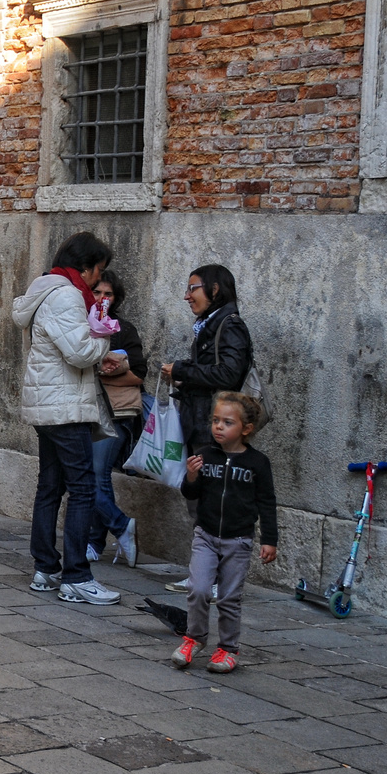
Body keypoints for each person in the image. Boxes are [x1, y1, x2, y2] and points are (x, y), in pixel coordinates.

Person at [11, 230, 120, 606]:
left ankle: (46, 568)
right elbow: (78, 351)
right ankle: (76, 575)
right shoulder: (67, 295)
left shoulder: (48, 290)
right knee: (83, 488)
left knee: (51, 485)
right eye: (97, 271)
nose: (97, 280)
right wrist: (104, 340)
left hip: (50, 402)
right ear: (85, 267)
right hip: (64, 406)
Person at [160, 264, 252, 596]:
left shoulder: (230, 325)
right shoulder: (210, 325)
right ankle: (203, 574)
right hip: (201, 426)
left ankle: (215, 579)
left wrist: (183, 369)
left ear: (215, 290)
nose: (187, 296)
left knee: (214, 502)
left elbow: (228, 375)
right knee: (200, 499)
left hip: (215, 430)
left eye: (193, 288)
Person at [172, 391, 278, 675]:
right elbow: (189, 492)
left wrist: (270, 539)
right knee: (198, 589)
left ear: (246, 429)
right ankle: (194, 638)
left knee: (230, 597)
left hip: (239, 540)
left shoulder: (257, 463)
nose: (218, 426)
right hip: (205, 536)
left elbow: (267, 502)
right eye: (215, 420)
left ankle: (228, 649)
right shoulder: (205, 455)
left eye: (227, 422)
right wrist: (192, 476)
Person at [85, 272, 147, 568]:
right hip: (85, 411)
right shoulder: (80, 324)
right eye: (97, 292)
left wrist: (101, 375)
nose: (101, 298)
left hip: (116, 413)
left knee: (94, 474)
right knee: (96, 476)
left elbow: (138, 376)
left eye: (107, 294)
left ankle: (117, 527)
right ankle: (99, 540)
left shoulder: (123, 330)